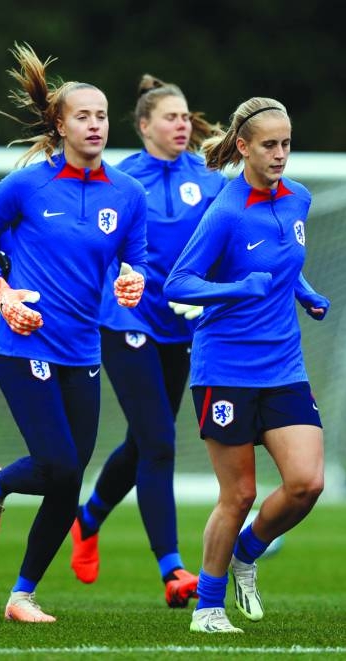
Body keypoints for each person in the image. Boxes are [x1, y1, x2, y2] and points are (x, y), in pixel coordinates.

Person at [0, 43, 148, 624]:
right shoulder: (25, 187)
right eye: (83, 115)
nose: (95, 124)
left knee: (67, 481)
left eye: (102, 115)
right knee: (62, 467)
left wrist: (132, 281)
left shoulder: (128, 193)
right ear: (60, 124)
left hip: (83, 350)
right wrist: (1, 292)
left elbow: (135, 258)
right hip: (24, 346)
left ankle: (21, 594)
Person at [164, 96, 330, 634]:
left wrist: (304, 292)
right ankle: (208, 608)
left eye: (287, 144)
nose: (281, 154)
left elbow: (282, 265)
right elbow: (178, 283)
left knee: (307, 483)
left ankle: (246, 552)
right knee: (238, 494)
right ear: (243, 148)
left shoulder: (298, 198)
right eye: (269, 145)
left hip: (284, 365)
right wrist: (239, 289)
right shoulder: (226, 212)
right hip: (225, 369)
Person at [68, 74, 227, 608]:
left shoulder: (209, 178)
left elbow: (224, 242)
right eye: (171, 116)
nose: (182, 124)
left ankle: (88, 519)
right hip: (126, 320)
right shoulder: (121, 178)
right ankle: (173, 570)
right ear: (143, 127)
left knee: (142, 443)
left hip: (182, 326)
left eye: (186, 116)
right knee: (159, 442)